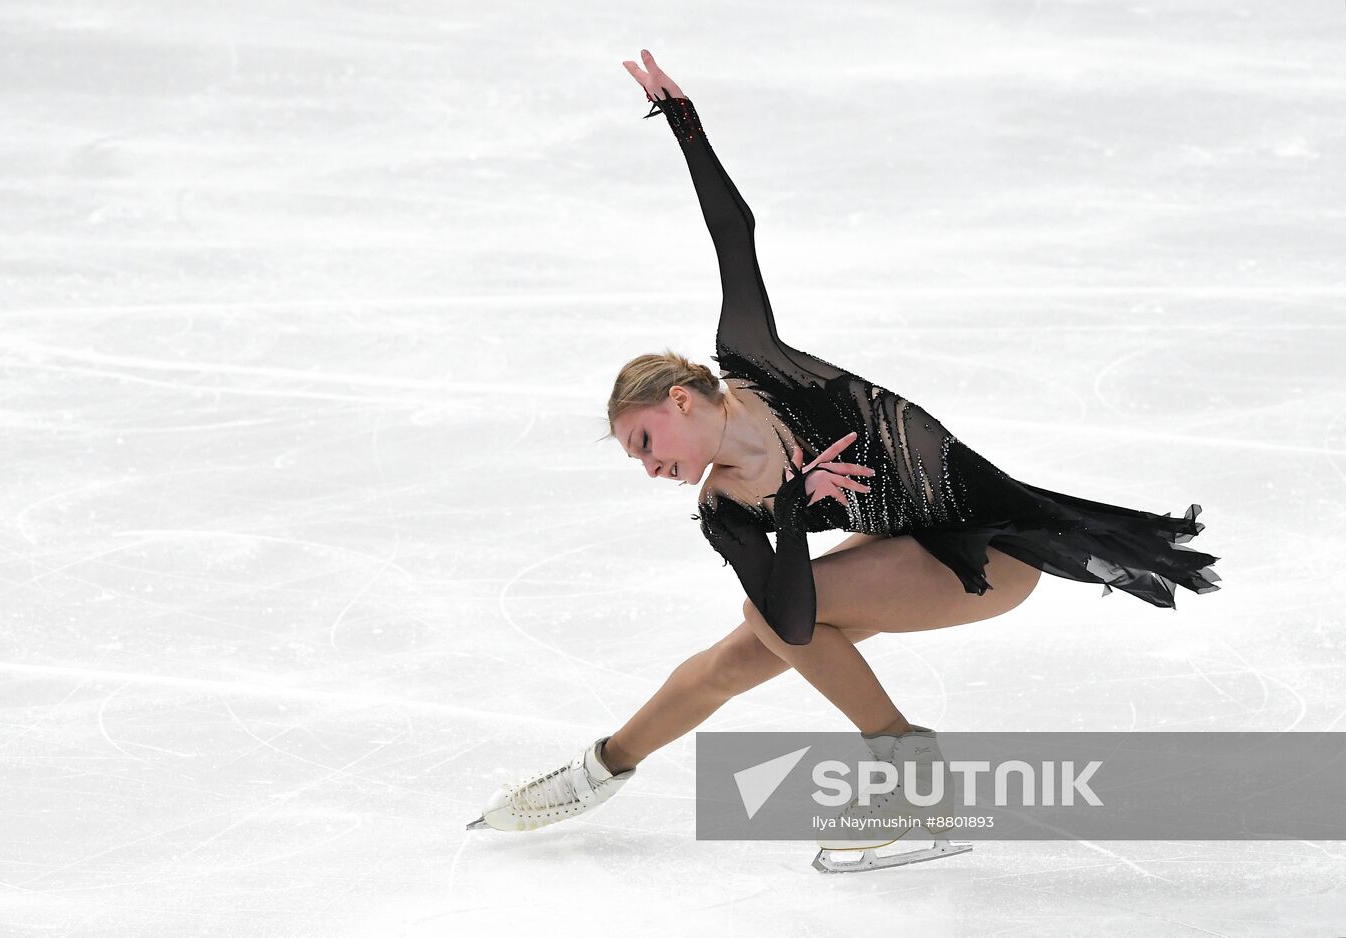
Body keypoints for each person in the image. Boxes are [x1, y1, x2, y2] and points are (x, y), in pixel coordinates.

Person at [467, 50, 1221, 871]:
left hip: (994, 551)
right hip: (917, 551)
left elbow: (734, 235)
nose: (647, 466)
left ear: (681, 399)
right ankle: (600, 769)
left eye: (644, 441)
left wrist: (684, 128)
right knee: (746, 648)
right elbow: (793, 623)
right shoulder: (728, 506)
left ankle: (911, 775)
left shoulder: (755, 361)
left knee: (762, 622)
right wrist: (790, 501)